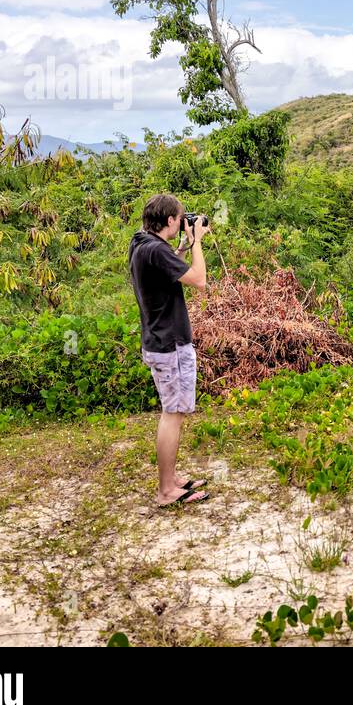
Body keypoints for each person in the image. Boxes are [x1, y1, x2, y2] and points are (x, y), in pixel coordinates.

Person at [128, 193, 212, 508]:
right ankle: (166, 490)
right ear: (170, 221)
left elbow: (165, 263)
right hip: (169, 345)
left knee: (172, 412)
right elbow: (199, 280)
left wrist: (182, 245)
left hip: (157, 340)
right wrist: (198, 243)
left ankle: (171, 478)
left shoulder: (141, 243)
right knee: (172, 414)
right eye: (180, 218)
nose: (183, 221)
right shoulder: (155, 251)